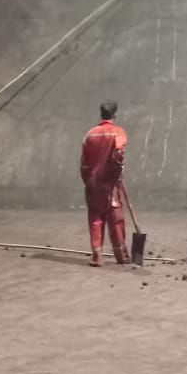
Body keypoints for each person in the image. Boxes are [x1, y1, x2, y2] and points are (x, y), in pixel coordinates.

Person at [80, 101, 130, 266]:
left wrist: (88, 181)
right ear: (114, 114)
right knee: (115, 219)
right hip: (109, 184)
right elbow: (119, 152)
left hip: (92, 184)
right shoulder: (118, 132)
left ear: (101, 114)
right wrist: (117, 170)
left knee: (95, 217)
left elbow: (84, 164)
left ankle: (96, 256)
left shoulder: (90, 135)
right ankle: (121, 256)